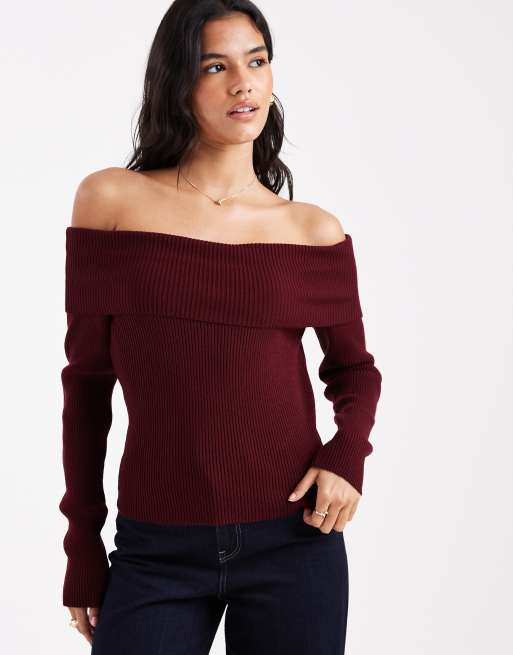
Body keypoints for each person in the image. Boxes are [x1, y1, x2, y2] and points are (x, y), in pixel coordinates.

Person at [59, 1, 382, 653]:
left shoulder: (310, 230)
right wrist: (82, 548)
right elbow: (87, 385)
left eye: (256, 62)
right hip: (156, 549)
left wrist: (346, 455)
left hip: (295, 542)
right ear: (177, 81)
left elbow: (354, 371)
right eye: (216, 66)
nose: (243, 83)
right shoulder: (111, 202)